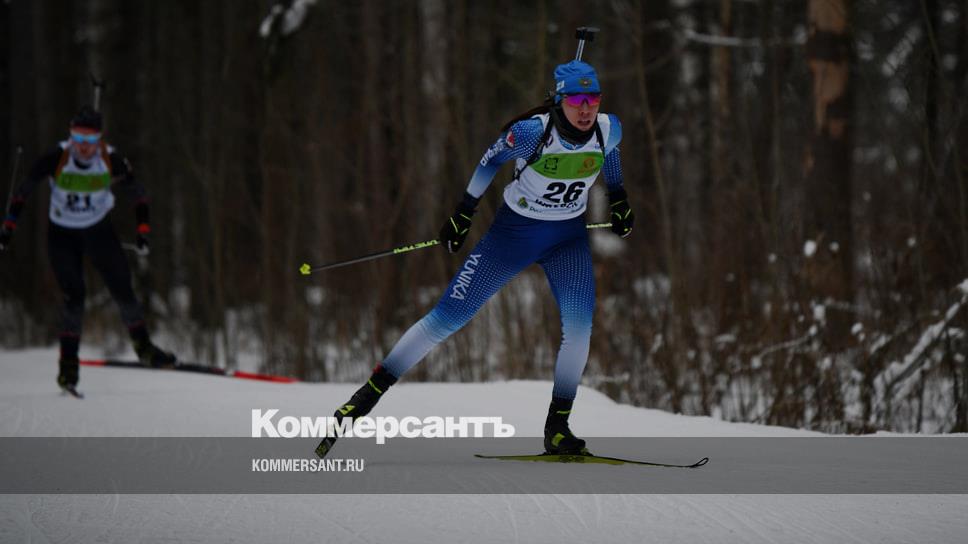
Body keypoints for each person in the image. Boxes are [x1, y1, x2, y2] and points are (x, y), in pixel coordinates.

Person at [316, 60, 634, 458]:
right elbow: (489, 161)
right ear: (559, 100)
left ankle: (557, 428)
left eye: (593, 99)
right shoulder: (532, 132)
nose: (586, 109)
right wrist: (464, 211)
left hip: (566, 240)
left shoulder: (608, 128)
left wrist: (618, 198)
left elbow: (611, 155)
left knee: (580, 328)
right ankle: (363, 400)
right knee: (447, 318)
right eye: (576, 101)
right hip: (512, 237)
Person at [0, 106, 175, 393]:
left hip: (98, 231)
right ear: (70, 137)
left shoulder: (111, 160)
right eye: (78, 138)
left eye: (90, 140)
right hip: (62, 235)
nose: (83, 146)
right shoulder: (57, 157)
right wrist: (8, 227)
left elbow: (140, 196)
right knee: (75, 296)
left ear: (100, 140)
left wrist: (143, 232)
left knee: (123, 288)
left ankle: (144, 349)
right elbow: (23, 191)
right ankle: (68, 369)